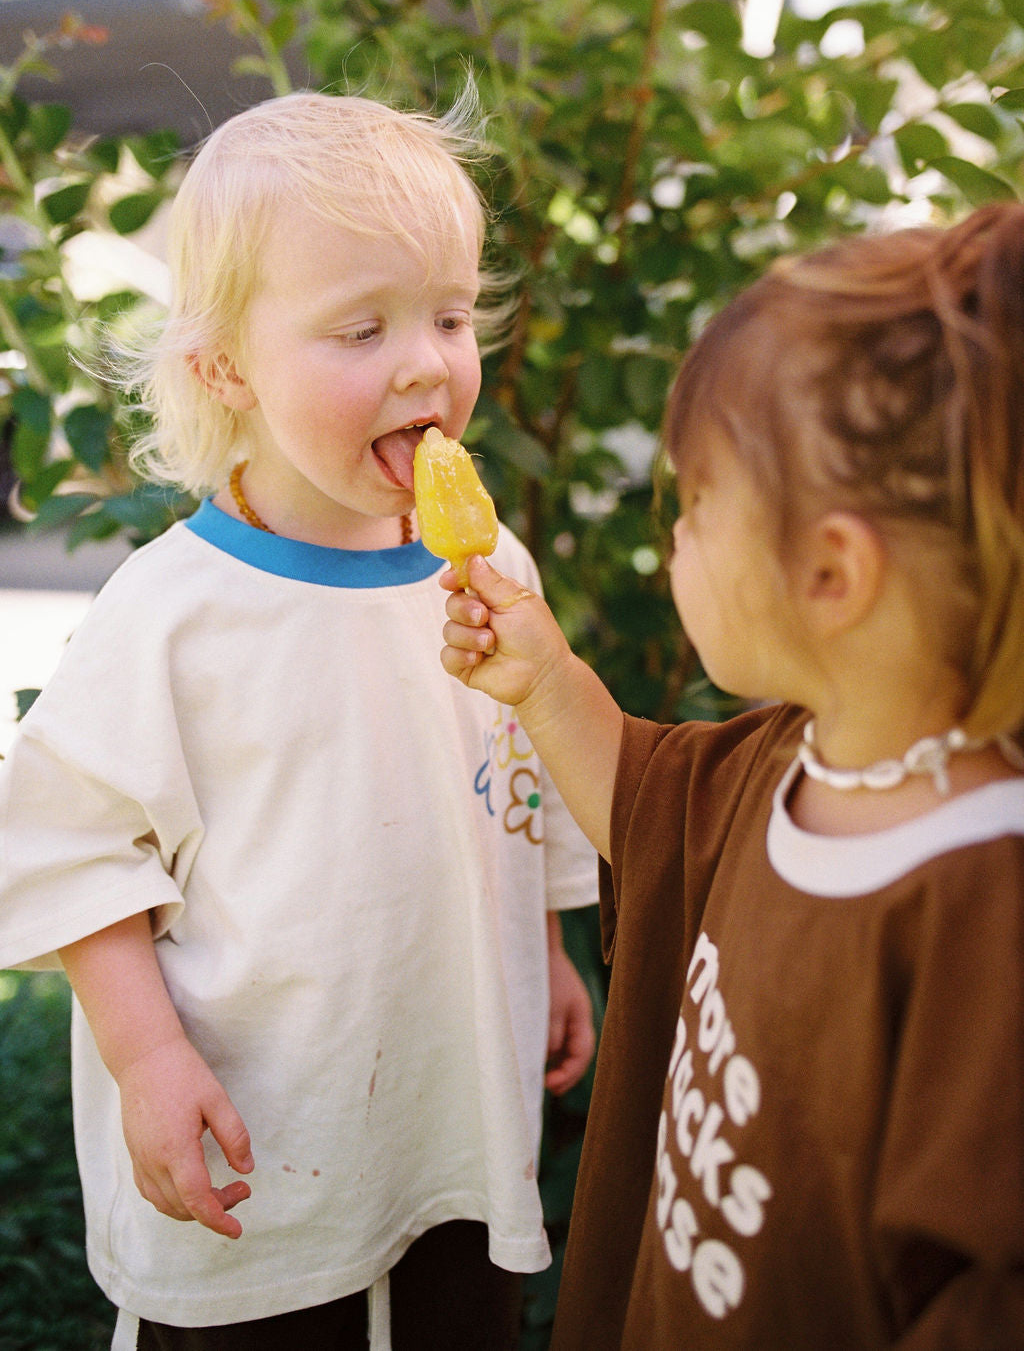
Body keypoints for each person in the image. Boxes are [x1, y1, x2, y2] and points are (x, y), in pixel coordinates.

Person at [0, 90, 598, 1351]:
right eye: (361, 328)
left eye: (447, 314)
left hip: (450, 1108)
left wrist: (545, 944)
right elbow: (71, 851)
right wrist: (146, 1059)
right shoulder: (173, 614)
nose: (427, 361)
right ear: (227, 368)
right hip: (258, 1137)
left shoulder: (496, 579)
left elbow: (520, 773)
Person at [439, 202, 1024, 1349]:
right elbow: (650, 814)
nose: (676, 535)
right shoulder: (799, 758)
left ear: (828, 570)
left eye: (698, 503)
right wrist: (546, 678)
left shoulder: (978, 914)